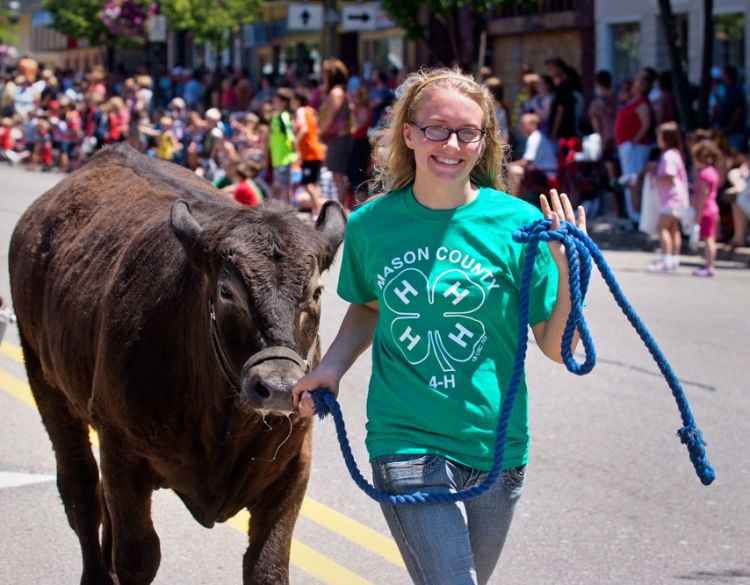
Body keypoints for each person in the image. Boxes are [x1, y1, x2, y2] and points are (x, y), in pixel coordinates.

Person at [291, 67, 586, 585]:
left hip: (498, 444)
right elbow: (368, 306)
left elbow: (558, 348)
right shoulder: (370, 224)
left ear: (484, 142)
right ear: (408, 133)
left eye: (467, 132)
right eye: (436, 128)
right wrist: (331, 368)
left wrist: (568, 273)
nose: (451, 144)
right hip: (405, 439)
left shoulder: (518, 226)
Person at [648, 122, 689, 273]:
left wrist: (655, 179)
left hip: (671, 198)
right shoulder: (676, 153)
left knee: (662, 228)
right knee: (673, 228)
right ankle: (674, 259)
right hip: (677, 198)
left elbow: (670, 177)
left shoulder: (668, 156)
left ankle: (666, 258)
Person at [319, 58, 352, 207]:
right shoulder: (340, 90)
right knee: (337, 175)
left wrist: (320, 132)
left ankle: (342, 210)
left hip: (338, 138)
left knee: (338, 176)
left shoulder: (336, 92)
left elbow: (330, 117)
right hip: (339, 137)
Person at [291, 88, 326, 219]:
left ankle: (317, 209)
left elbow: (304, 129)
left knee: (306, 183)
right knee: (314, 183)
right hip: (316, 152)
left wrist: (295, 142)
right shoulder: (312, 112)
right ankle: (317, 209)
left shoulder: (301, 111)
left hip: (309, 153)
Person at [690, 140, 723, 277]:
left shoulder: (704, 174)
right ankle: (709, 264)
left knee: (708, 239)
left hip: (706, 209)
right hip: (713, 207)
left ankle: (709, 266)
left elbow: (703, 195)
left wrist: (698, 214)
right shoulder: (713, 172)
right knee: (710, 237)